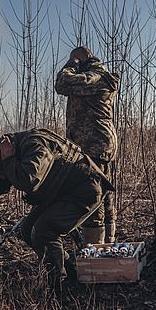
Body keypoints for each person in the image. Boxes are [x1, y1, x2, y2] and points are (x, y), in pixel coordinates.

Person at [0, 128, 114, 291]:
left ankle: (57, 285)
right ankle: (71, 270)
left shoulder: (34, 144)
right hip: (65, 192)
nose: (3, 177)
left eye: (1, 173)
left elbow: (29, 181)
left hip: (85, 190)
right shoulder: (19, 149)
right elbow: (7, 184)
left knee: (44, 230)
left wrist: (9, 161)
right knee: (28, 229)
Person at [55, 46, 120, 244]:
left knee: (92, 198)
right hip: (99, 144)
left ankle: (95, 253)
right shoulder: (99, 78)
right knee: (105, 196)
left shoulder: (94, 78)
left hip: (93, 145)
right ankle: (108, 250)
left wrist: (72, 62)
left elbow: (62, 84)